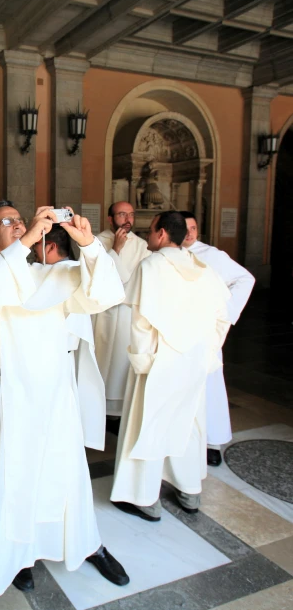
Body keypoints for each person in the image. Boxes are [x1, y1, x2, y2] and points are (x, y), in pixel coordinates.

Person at [0, 201, 128, 600]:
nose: (21, 225)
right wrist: (23, 243)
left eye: (22, 219)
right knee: (13, 478)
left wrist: (89, 246)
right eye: (9, 222)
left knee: (67, 472)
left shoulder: (53, 273)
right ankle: (18, 555)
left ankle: (86, 542)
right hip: (5, 394)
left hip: (54, 394)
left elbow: (104, 294)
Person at [110, 212, 231, 521]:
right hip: (193, 360)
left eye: (150, 231)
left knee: (147, 425)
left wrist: (141, 359)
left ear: (161, 234)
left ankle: (143, 496)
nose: (148, 236)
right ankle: (189, 489)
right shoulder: (203, 269)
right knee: (189, 423)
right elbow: (222, 316)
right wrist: (206, 351)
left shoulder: (150, 267)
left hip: (158, 359)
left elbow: (140, 323)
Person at [181, 211, 255, 466]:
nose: (190, 233)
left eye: (194, 227)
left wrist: (226, 314)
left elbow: (245, 278)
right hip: (179, 331)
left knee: (210, 385)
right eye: (185, 228)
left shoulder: (211, 256)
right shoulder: (168, 255)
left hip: (205, 331)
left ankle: (212, 441)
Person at [32, 224, 106, 451]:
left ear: (50, 246)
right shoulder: (74, 270)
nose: (33, 251)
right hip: (62, 357)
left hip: (53, 359)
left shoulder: (66, 273)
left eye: (36, 244)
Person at [92, 202, 151, 432]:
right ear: (110, 218)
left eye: (131, 214)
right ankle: (99, 409)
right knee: (102, 361)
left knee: (120, 364)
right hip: (103, 313)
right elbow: (94, 274)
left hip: (127, 313)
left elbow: (139, 278)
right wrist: (115, 250)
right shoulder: (97, 241)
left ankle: (118, 412)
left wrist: (123, 282)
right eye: (121, 214)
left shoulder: (142, 245)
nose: (127, 218)